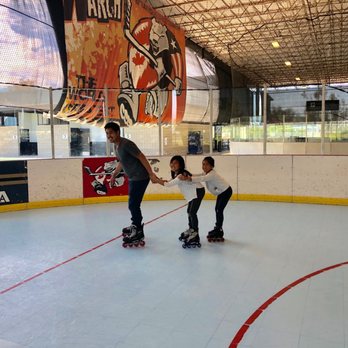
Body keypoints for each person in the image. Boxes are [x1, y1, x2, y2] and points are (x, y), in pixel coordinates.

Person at [104, 122, 157, 246]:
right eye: (107, 133)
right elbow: (122, 162)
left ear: (118, 132)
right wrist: (113, 175)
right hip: (133, 178)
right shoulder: (116, 146)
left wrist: (151, 173)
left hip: (140, 177)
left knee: (133, 204)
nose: (109, 136)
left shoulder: (126, 144)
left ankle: (137, 230)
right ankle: (135, 225)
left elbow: (141, 156)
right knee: (133, 204)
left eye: (111, 133)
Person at [155, 155, 205, 248]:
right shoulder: (176, 174)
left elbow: (168, 184)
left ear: (181, 164)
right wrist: (158, 180)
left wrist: (157, 180)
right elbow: (169, 181)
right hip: (193, 193)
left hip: (197, 191)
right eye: (172, 163)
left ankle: (195, 234)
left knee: (192, 212)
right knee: (189, 212)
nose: (172, 165)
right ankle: (191, 230)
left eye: (175, 163)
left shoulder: (181, 174)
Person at [179, 156, 232, 241]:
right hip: (222, 192)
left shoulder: (211, 174)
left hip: (226, 192)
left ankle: (219, 229)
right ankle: (218, 228)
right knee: (217, 209)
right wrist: (189, 175)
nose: (204, 166)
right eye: (203, 164)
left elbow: (202, 178)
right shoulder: (206, 173)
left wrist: (189, 178)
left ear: (211, 166)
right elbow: (199, 175)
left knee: (219, 210)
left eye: (206, 165)